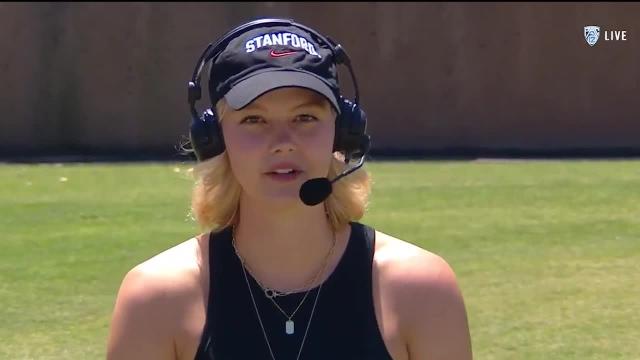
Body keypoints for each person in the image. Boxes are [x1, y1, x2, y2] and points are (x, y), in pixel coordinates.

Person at [106, 18, 473, 360]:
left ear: (341, 133)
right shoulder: (156, 298)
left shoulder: (422, 290)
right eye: (254, 119)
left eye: (305, 118)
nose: (283, 142)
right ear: (215, 138)